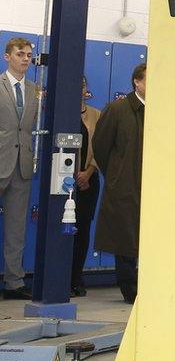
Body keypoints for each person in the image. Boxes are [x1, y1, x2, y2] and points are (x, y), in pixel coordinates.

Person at [93, 63, 147, 304]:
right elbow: (101, 147)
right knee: (125, 237)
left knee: (148, 235)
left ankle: (149, 283)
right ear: (137, 81)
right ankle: (129, 288)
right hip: (124, 184)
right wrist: (115, 175)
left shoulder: (162, 109)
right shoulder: (117, 109)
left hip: (153, 185)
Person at [1, 38, 39, 300]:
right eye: (20, 54)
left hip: (22, 166)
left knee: (16, 228)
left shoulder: (35, 89)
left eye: (28, 55)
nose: (25, 59)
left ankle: (14, 282)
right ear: (7, 57)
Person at [71, 76, 101, 297]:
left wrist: (88, 172)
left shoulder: (95, 114)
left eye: (81, 85)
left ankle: (76, 278)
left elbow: (100, 148)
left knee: (82, 232)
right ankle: (59, 276)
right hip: (64, 182)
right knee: (63, 232)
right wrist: (72, 174)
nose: (79, 89)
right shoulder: (60, 112)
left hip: (89, 181)